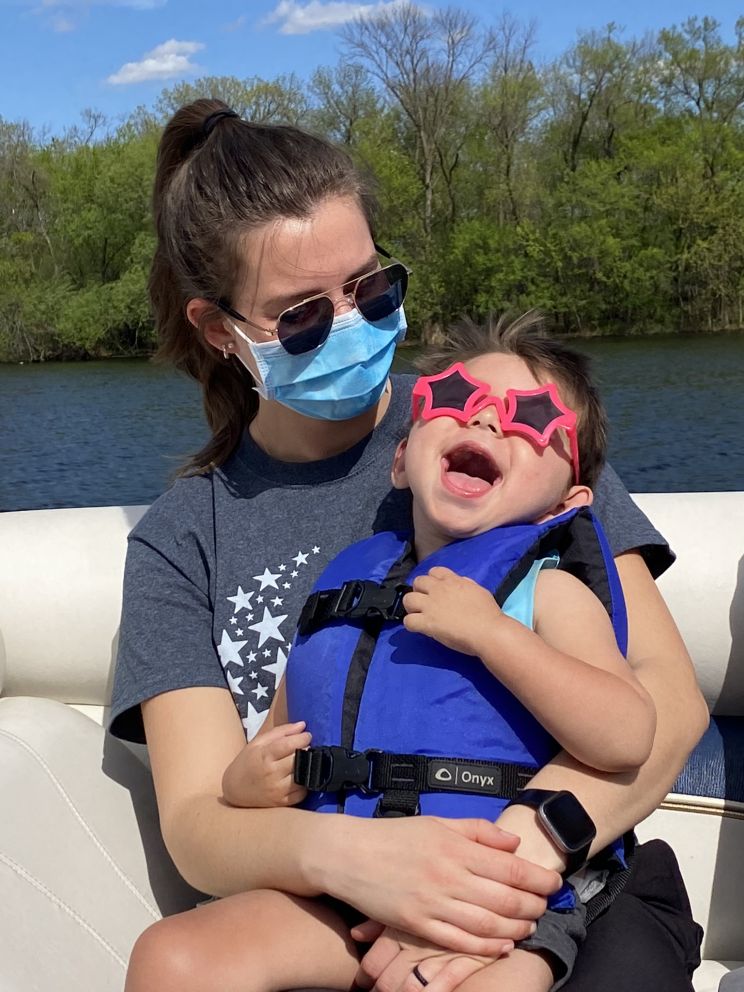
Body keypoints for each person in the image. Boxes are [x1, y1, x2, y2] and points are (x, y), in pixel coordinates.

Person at [112, 98, 706, 992]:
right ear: (218, 329)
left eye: (371, 288)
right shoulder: (182, 539)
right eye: (303, 316)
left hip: (549, 874)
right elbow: (199, 823)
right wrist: (362, 862)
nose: (352, 324)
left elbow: (669, 706)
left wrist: (500, 872)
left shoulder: (511, 432)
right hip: (329, 900)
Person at [124, 317, 660, 992]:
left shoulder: (546, 595)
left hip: (501, 912)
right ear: (401, 460)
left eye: (529, 418)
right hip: (346, 895)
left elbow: (627, 732)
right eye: (457, 403)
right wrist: (247, 781)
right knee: (176, 956)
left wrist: (494, 636)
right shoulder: (348, 592)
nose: (488, 424)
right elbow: (267, 749)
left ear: (571, 500)